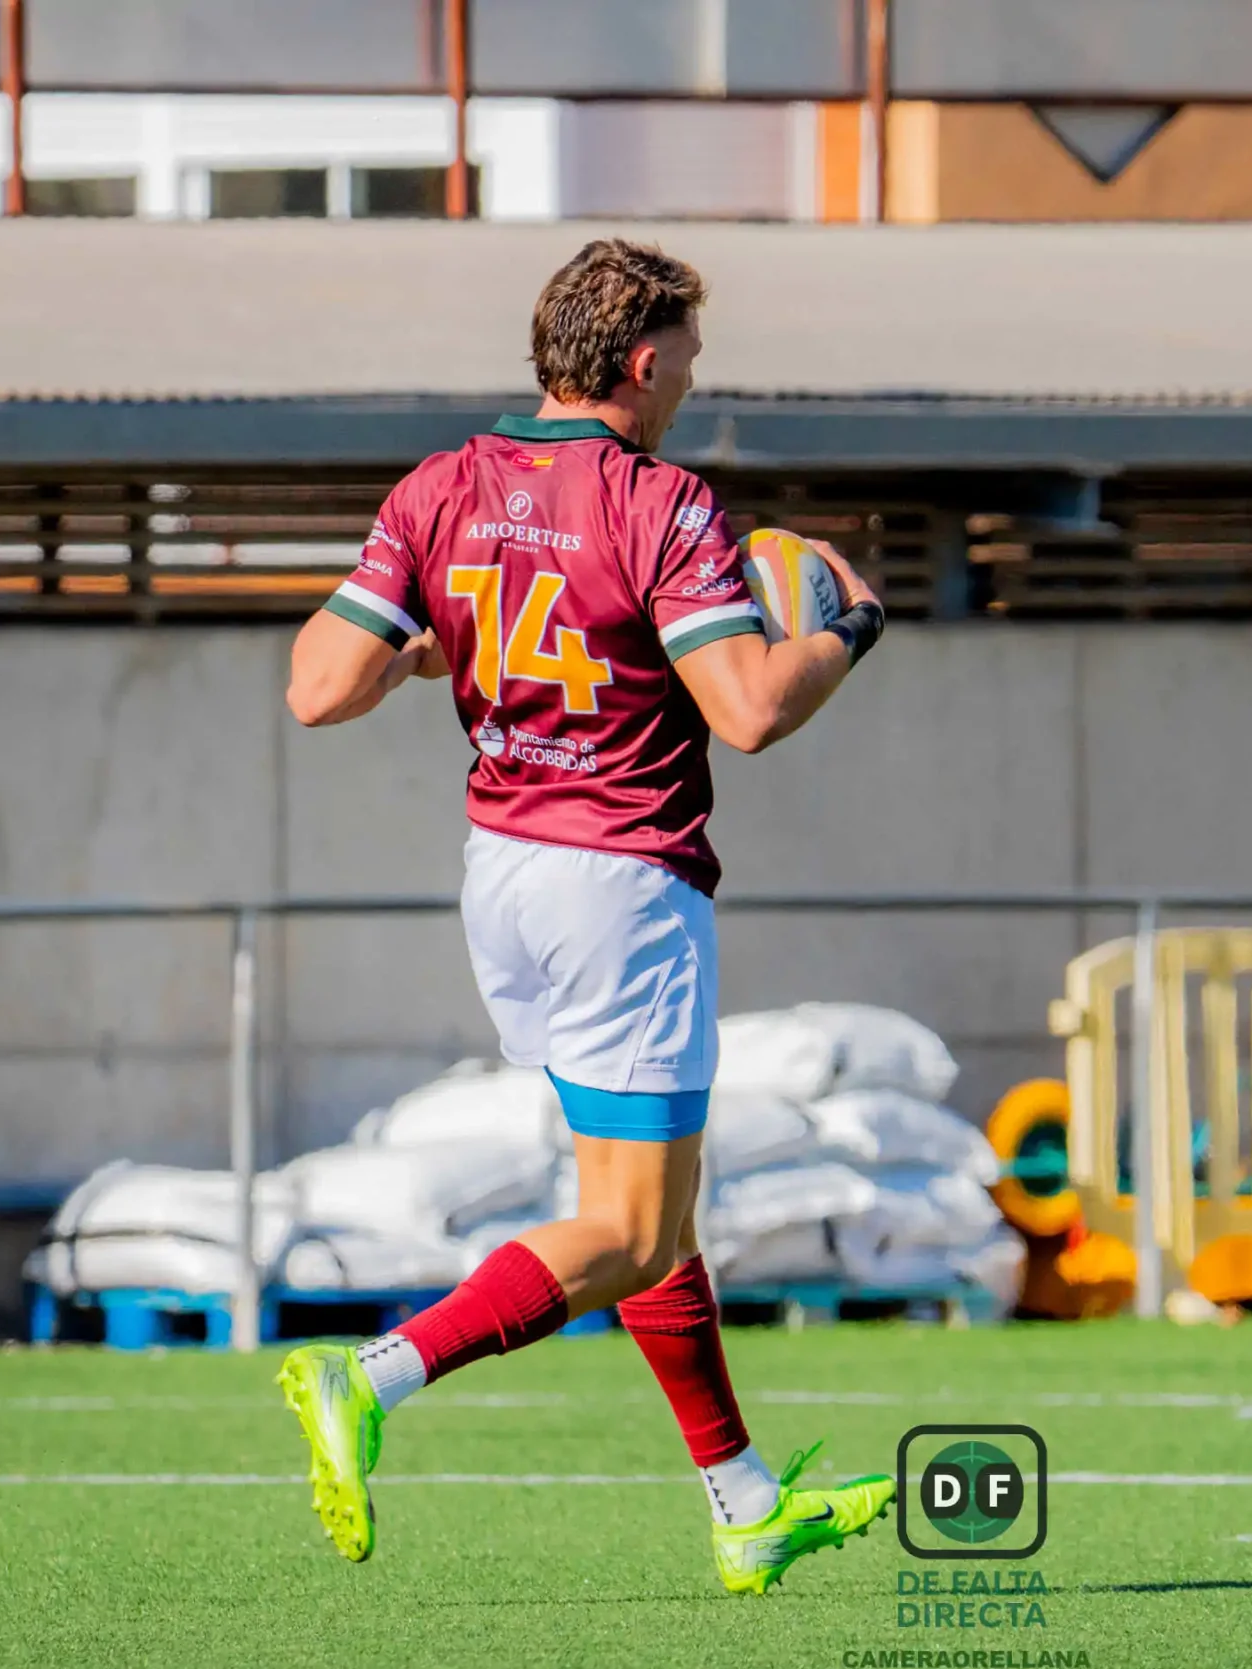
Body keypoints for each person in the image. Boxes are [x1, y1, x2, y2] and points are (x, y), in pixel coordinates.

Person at [274, 237, 889, 1593]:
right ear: (644, 359)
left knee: (650, 1213)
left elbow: (318, 685)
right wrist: (849, 626)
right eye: (690, 364)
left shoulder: (443, 486)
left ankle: (740, 1501)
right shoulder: (662, 503)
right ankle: (370, 1374)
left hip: (507, 879)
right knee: (623, 1231)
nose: (690, 388)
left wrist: (444, 639)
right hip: (623, 885)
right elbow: (750, 707)